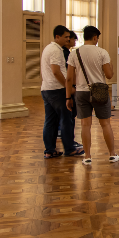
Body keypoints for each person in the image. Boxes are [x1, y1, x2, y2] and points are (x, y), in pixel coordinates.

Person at [66, 26, 119, 166]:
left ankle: (87, 156)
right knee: (105, 124)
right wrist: (112, 66)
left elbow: (69, 78)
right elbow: (109, 75)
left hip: (81, 92)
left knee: (85, 125)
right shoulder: (102, 52)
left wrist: (67, 97)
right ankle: (112, 154)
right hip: (99, 91)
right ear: (95, 37)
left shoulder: (74, 53)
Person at [41, 25, 83, 159]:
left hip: (47, 89)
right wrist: (68, 87)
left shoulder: (49, 48)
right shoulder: (56, 50)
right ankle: (69, 148)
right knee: (67, 119)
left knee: (51, 121)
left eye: (69, 37)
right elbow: (56, 71)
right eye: (66, 37)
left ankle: (50, 150)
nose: (68, 39)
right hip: (57, 90)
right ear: (57, 37)